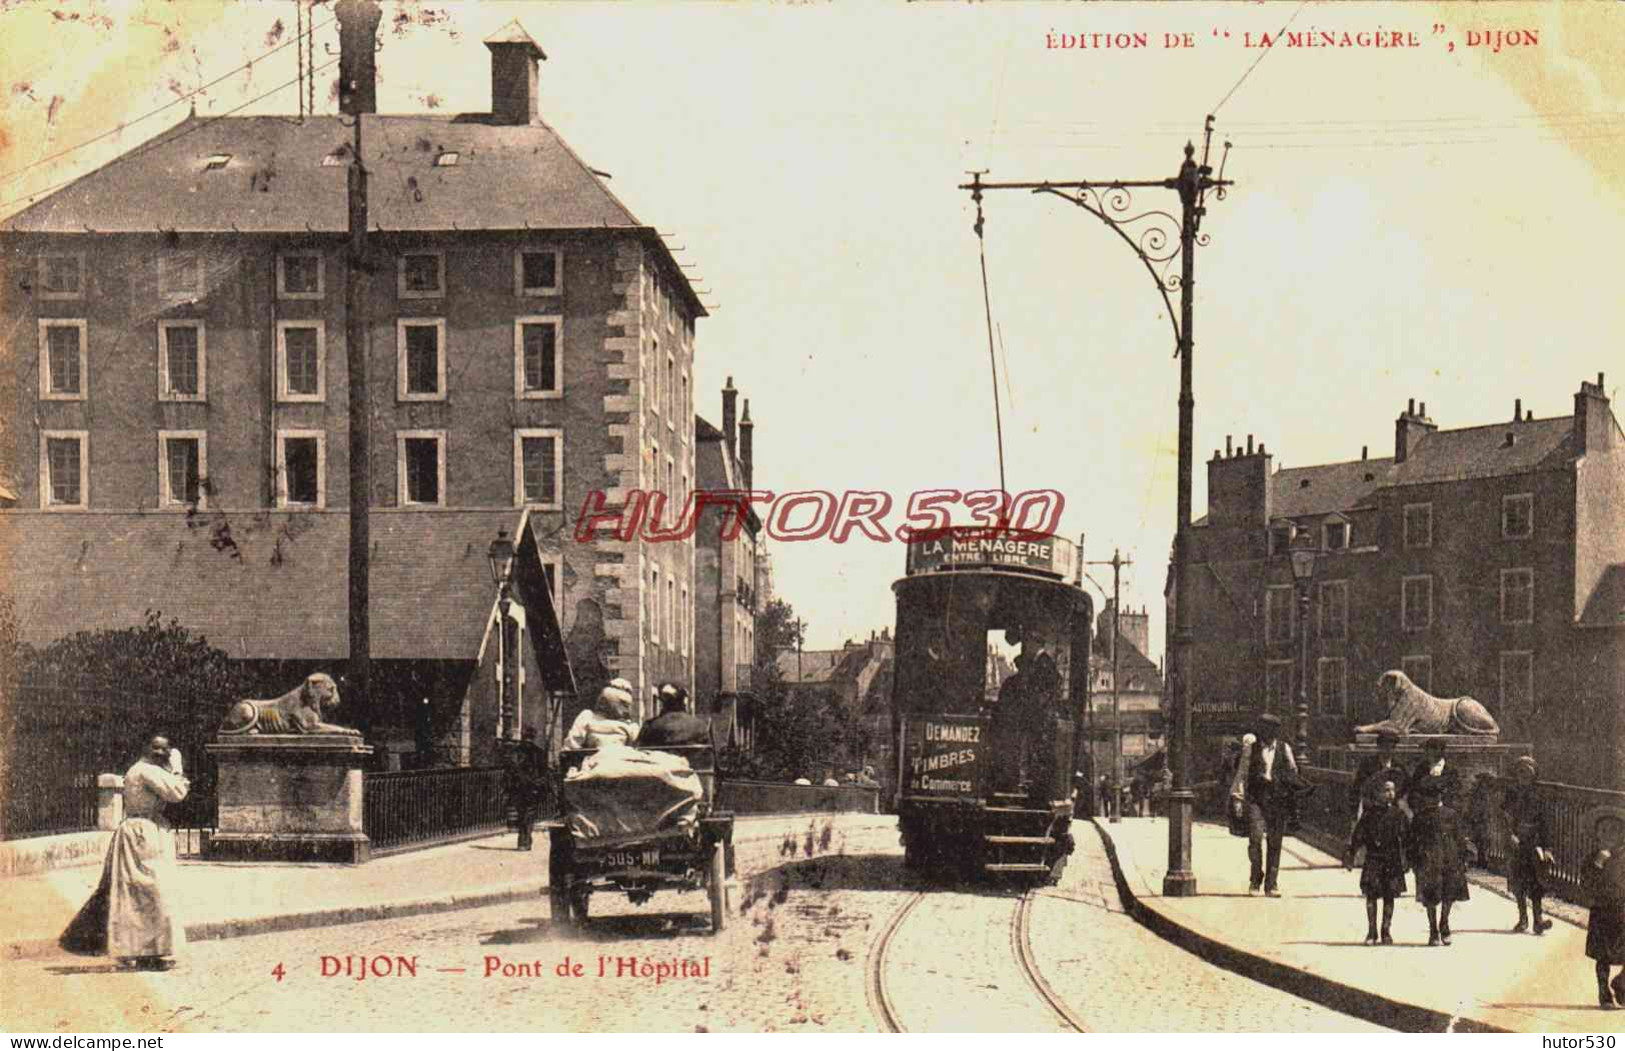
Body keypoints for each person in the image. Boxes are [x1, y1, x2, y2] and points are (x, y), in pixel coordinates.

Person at [60, 736, 191, 970]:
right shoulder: (146, 771)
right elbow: (177, 793)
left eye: (166, 748)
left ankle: (149, 951)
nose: (162, 752)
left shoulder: (143, 769)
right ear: (147, 749)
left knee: (142, 894)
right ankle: (145, 951)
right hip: (141, 834)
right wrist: (178, 767)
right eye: (157, 747)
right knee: (152, 891)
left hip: (140, 831)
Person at [1230, 712, 1300, 896]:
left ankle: (1272, 884)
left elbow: (1293, 772)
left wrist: (1288, 789)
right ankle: (1255, 879)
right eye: (1265, 730)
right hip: (1256, 798)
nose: (1268, 735)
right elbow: (1242, 773)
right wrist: (1238, 798)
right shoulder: (1250, 749)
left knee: (1275, 842)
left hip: (1277, 799)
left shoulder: (1285, 749)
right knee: (1255, 838)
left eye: (1272, 731)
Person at [1406, 779, 1469, 946]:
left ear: (1442, 796)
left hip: (1450, 858)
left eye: (1436, 795)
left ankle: (1444, 923)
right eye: (1429, 796)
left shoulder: (1451, 814)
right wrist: (1413, 860)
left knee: (1449, 893)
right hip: (1428, 860)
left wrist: (1464, 857)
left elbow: (1459, 838)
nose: (1433, 799)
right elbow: (1412, 841)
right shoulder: (1420, 816)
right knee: (1430, 896)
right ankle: (1433, 929)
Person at [1346, 775, 1408, 945]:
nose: (1390, 793)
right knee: (1371, 895)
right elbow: (1358, 835)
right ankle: (1371, 931)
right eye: (1386, 790)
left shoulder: (1398, 814)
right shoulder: (1369, 814)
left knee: (1389, 896)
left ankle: (1386, 930)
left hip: (1392, 859)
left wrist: (1406, 858)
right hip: (1374, 857)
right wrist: (1351, 854)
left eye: (1392, 790)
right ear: (1378, 793)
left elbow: (1406, 838)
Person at [1502, 755, 1553, 935]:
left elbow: (1545, 822)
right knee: (1518, 880)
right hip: (1517, 842)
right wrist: (1510, 835)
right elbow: (1505, 818)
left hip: (1534, 842)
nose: (1524, 776)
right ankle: (1522, 918)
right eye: (1521, 772)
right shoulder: (1511, 793)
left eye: (1528, 772)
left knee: (1536, 881)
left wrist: (1547, 847)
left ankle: (1538, 920)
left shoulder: (1539, 795)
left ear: (1534, 775)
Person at [1584, 812, 1625, 1009]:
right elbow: (1586, 881)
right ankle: (1604, 993)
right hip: (1601, 911)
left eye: (1615, 831)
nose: (1609, 835)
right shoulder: (1594, 857)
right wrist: (1598, 863)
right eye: (1604, 831)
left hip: (1623, 910)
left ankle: (1621, 984)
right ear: (1597, 834)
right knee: (1602, 955)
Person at [1349, 730, 1403, 843]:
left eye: (1391, 747)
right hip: (1370, 808)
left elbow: (1405, 787)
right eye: (1385, 746)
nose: (1388, 750)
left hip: (1390, 810)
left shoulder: (1398, 765)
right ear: (1379, 746)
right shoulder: (1368, 764)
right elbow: (1357, 787)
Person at [564, 683, 640, 750]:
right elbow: (571, 746)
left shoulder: (631, 726)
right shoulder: (588, 717)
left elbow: (638, 748)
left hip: (623, 761)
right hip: (594, 761)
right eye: (622, 704)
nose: (626, 710)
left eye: (627, 706)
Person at [502, 733, 545, 851]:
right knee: (525, 814)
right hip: (524, 787)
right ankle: (525, 840)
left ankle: (524, 840)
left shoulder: (534, 753)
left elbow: (543, 772)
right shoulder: (535, 752)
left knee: (526, 814)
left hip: (527, 788)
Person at [637, 683, 711, 748]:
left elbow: (638, 752)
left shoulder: (649, 727)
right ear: (684, 702)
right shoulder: (700, 727)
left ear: (663, 703)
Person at [1405, 737, 1462, 813]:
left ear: (1440, 751)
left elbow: (1454, 794)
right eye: (1427, 750)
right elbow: (1414, 791)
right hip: (1424, 811)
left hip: (1444, 813)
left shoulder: (1450, 771)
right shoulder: (1421, 769)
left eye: (1431, 750)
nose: (1427, 753)